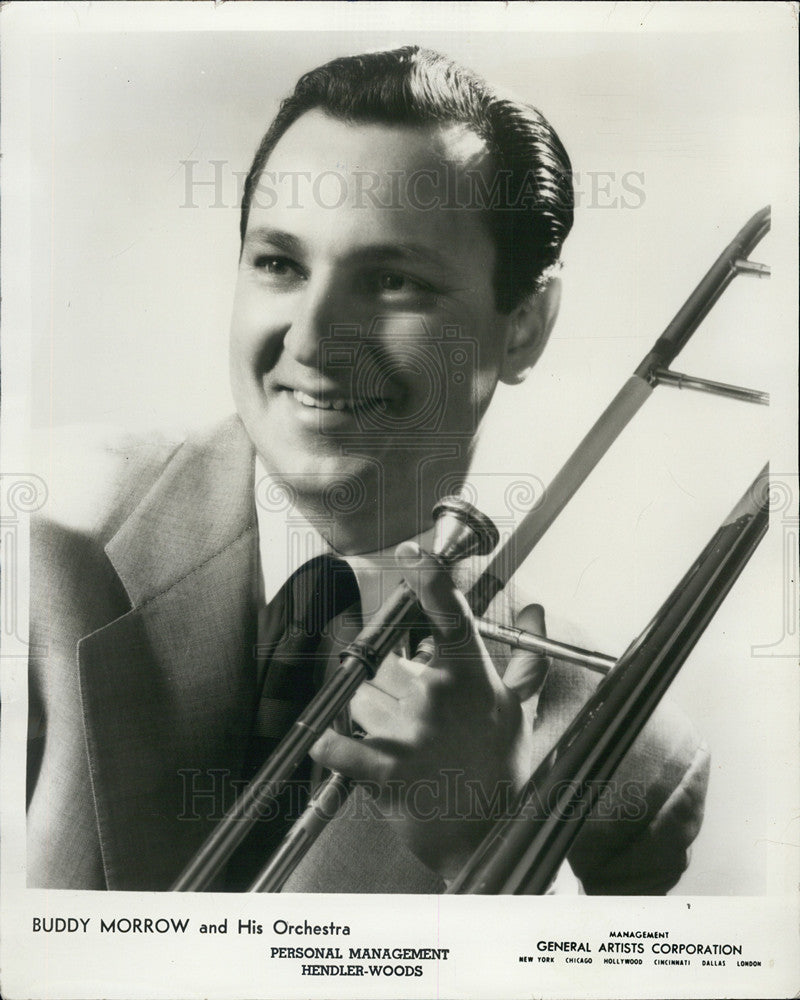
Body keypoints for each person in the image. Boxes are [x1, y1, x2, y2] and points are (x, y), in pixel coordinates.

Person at [26, 46, 709, 893]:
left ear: (525, 326)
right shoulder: (35, 550)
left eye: (392, 281)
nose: (312, 341)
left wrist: (494, 851)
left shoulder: (636, 761)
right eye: (279, 264)